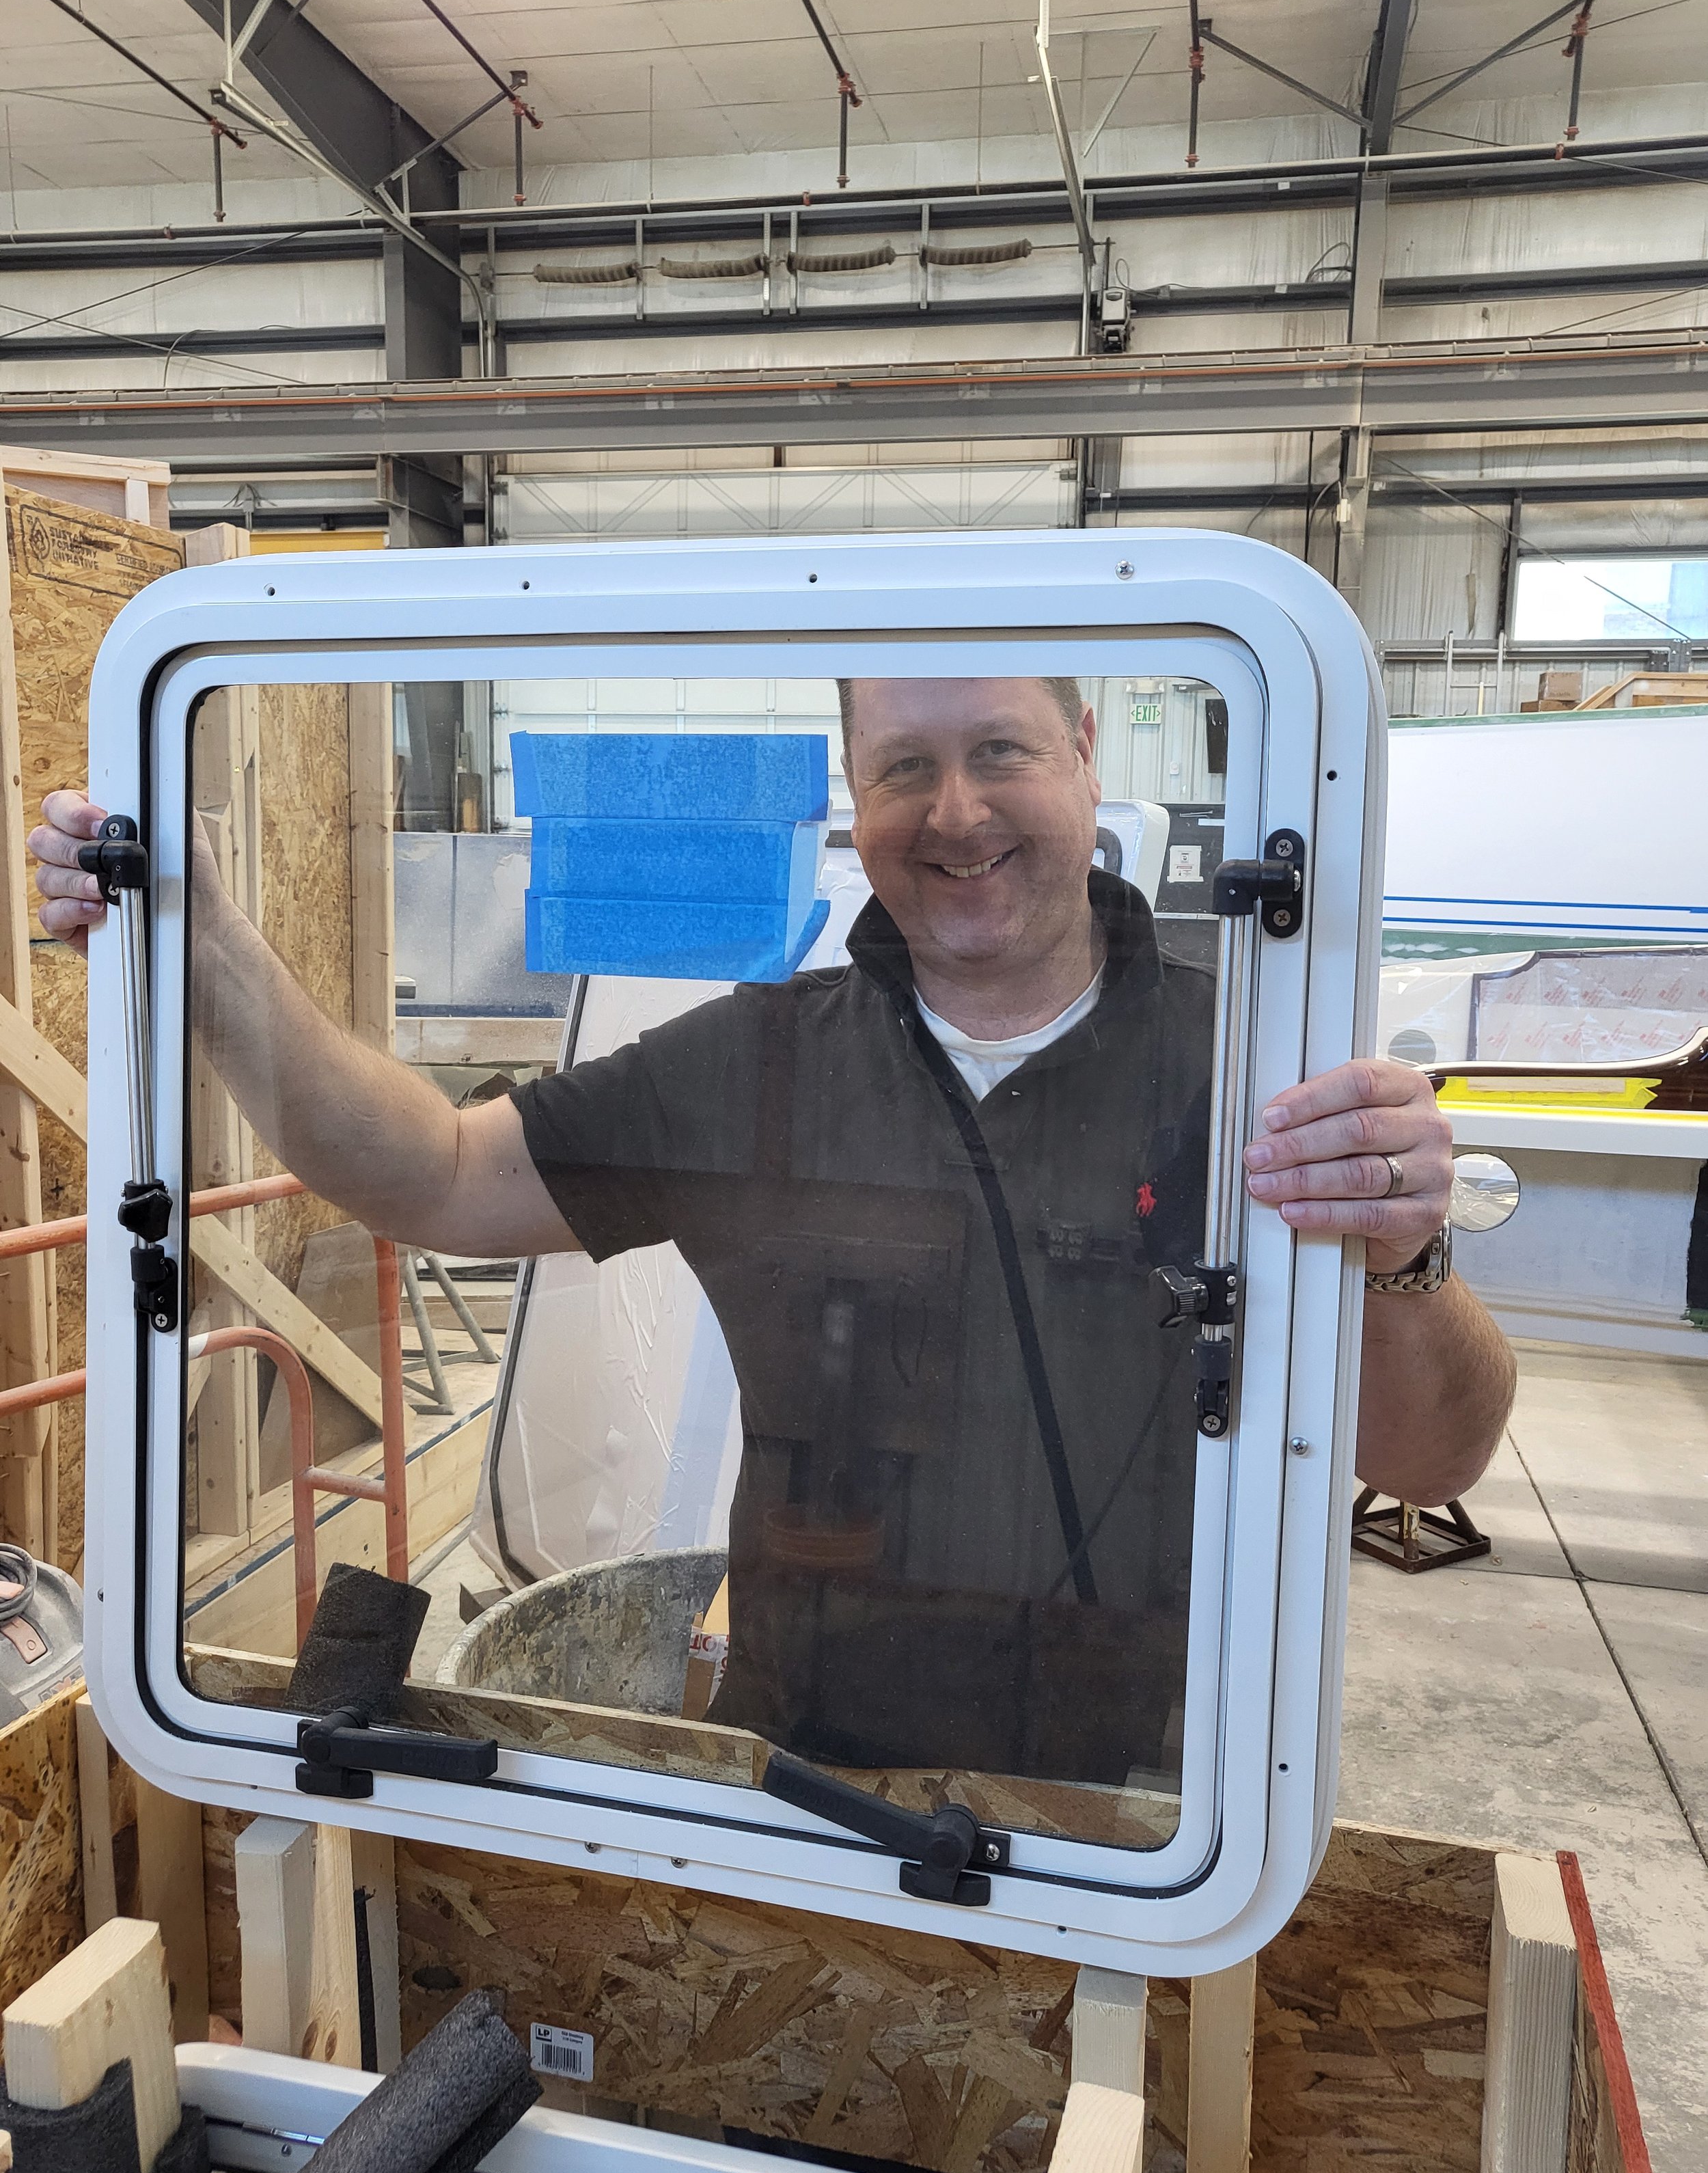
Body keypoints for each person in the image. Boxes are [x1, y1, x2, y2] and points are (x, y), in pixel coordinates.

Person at [32, 676, 1514, 1792]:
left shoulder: (1251, 1072)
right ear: (850, 807)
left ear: (1082, 757)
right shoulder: (757, 1068)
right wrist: (197, 938)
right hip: (811, 1786)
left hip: (1153, 1801)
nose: (955, 811)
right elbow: (436, 1178)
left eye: (998, 750)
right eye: (903, 768)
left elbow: (1428, 1460)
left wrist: (1404, 1255)